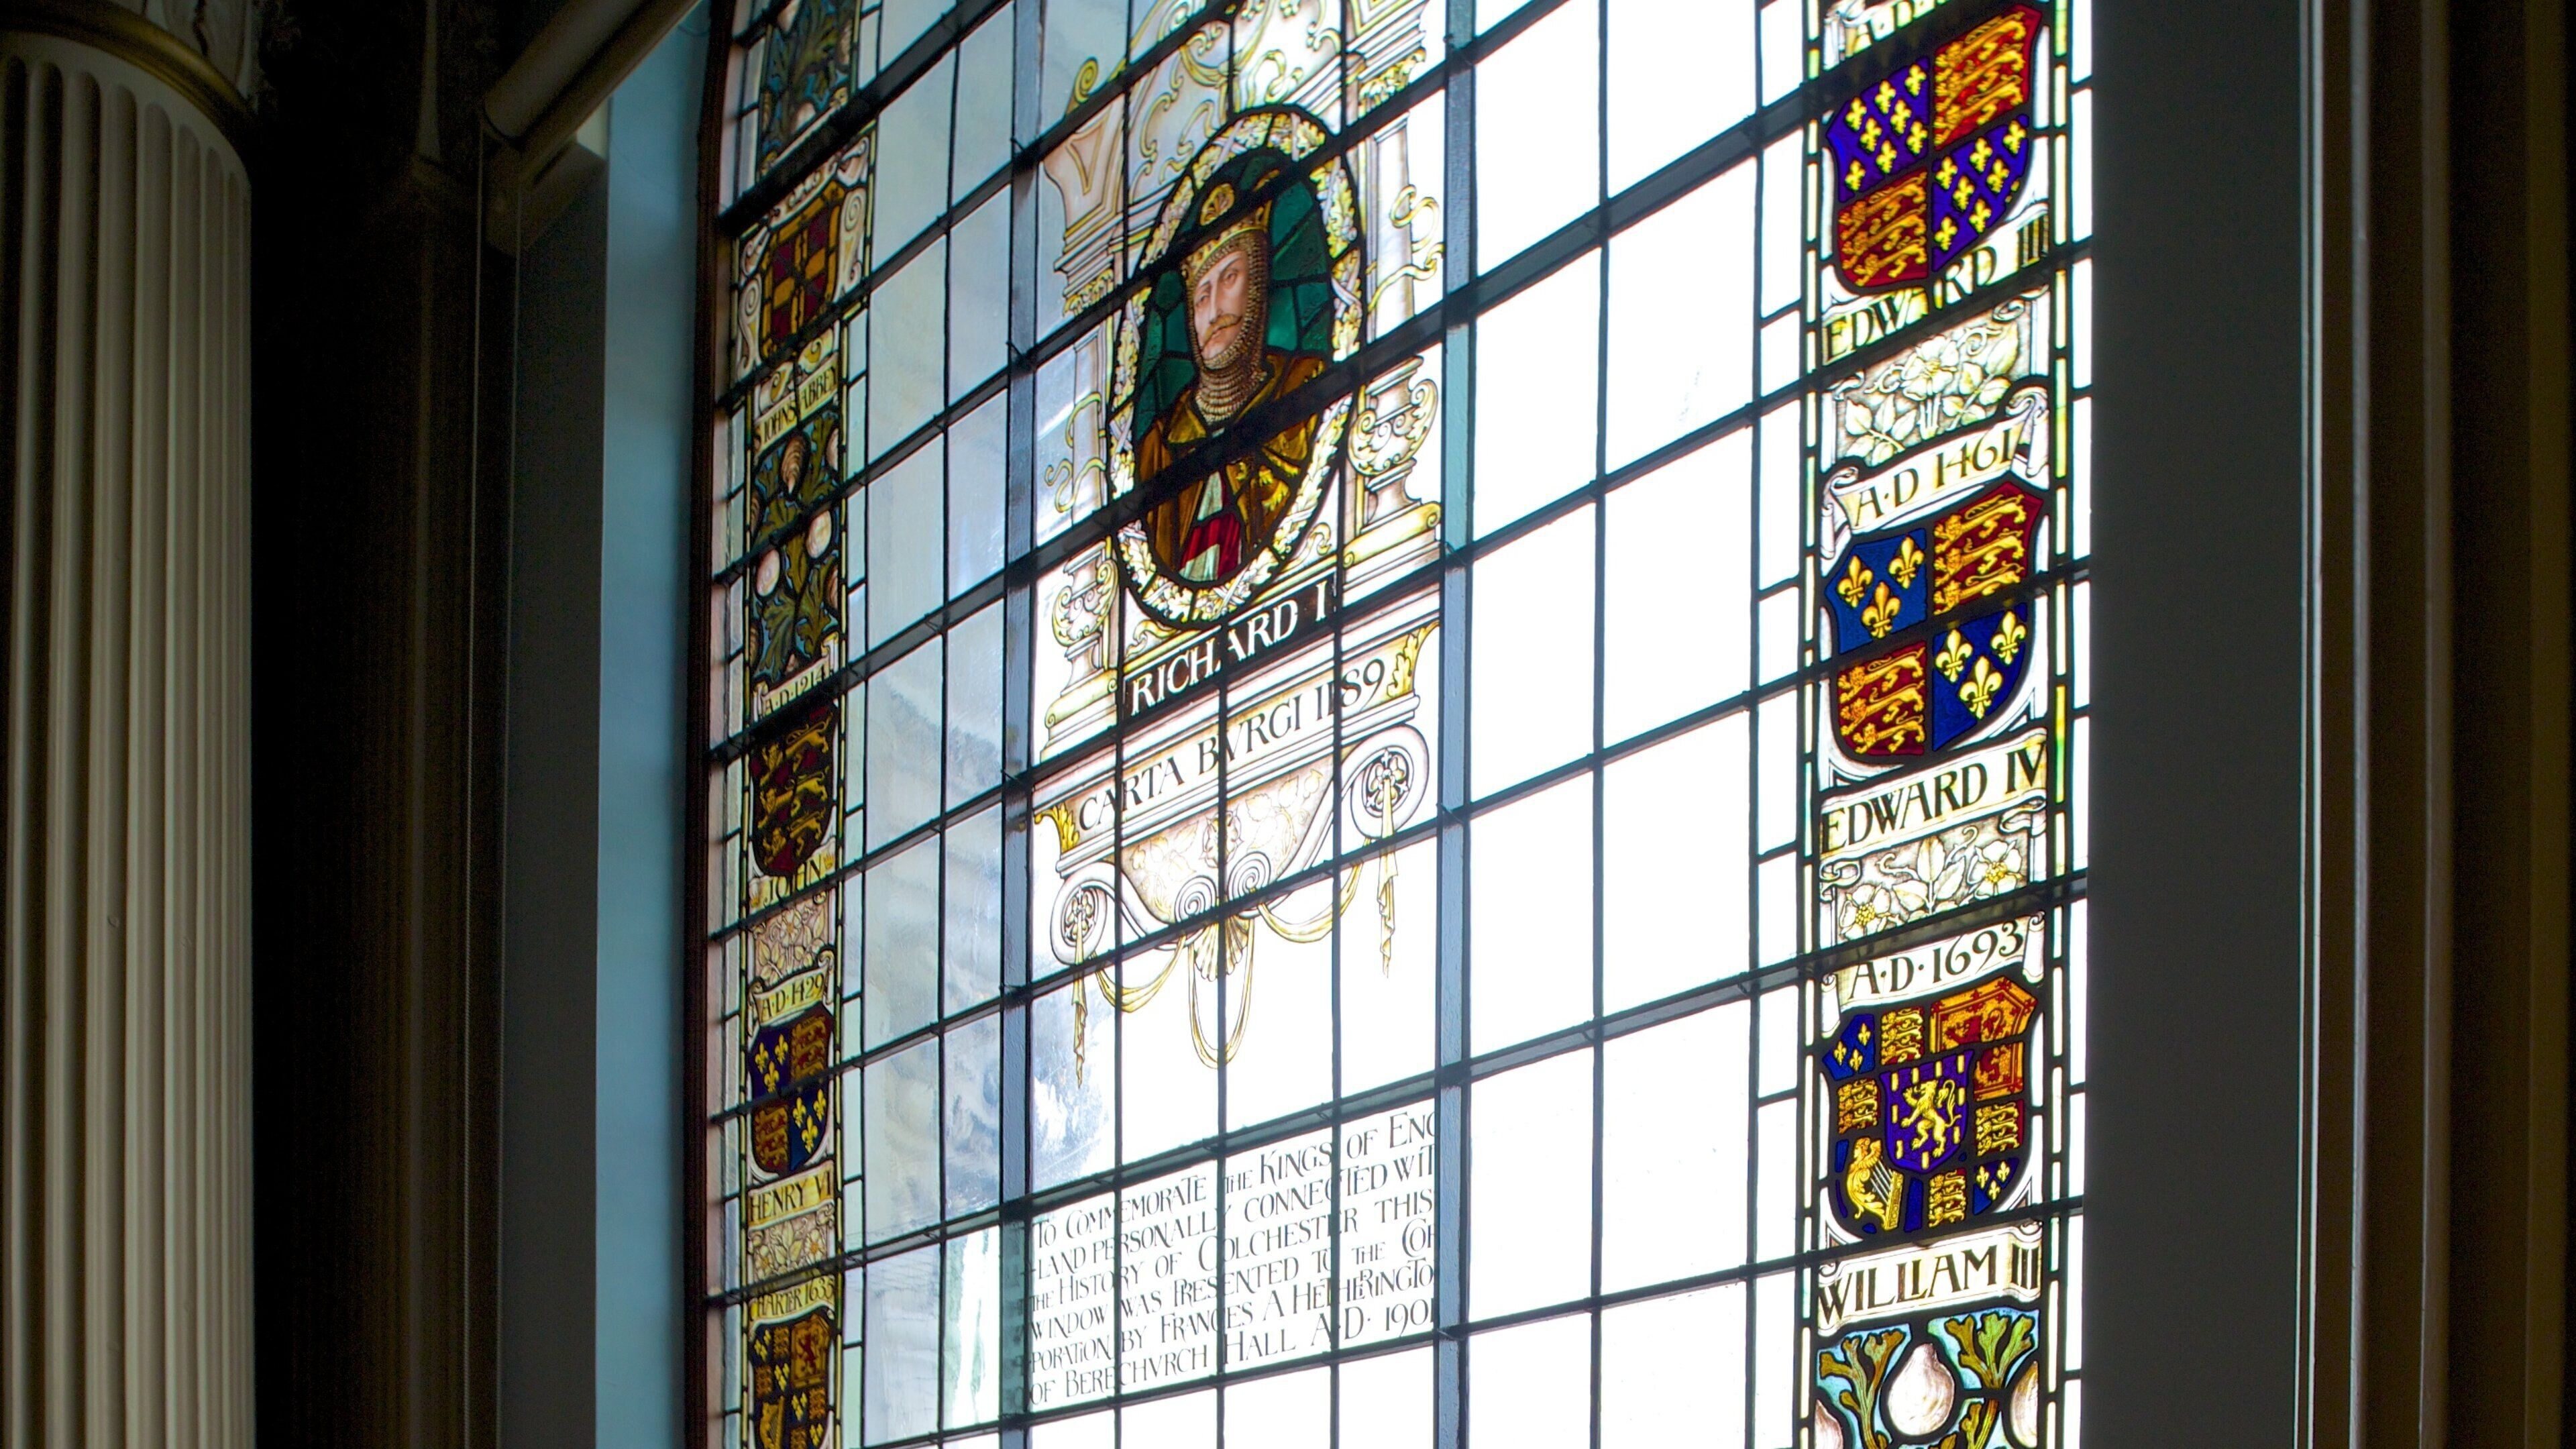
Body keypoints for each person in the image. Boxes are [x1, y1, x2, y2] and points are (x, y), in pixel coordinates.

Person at [1134, 180, 1330, 586]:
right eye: (1202, 296)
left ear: (1259, 286)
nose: (1215, 310)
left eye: (1230, 278)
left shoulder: (1302, 390)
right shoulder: (1158, 449)